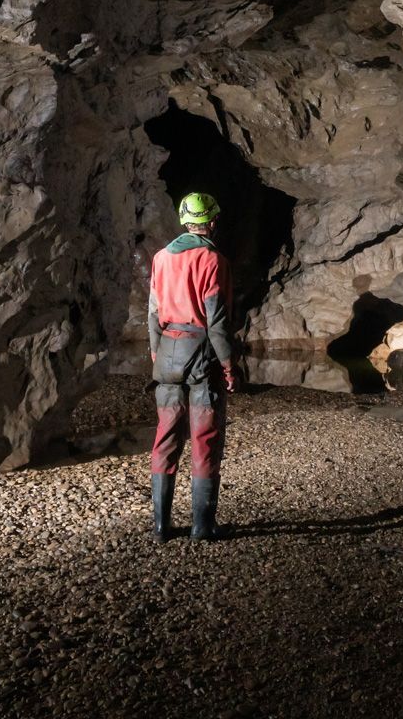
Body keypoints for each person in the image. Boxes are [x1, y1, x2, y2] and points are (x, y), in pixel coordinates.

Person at [148, 191, 237, 541]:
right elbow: (217, 321)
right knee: (204, 437)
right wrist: (229, 365)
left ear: (184, 220)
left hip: (168, 350)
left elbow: (153, 312)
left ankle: (160, 527)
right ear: (212, 222)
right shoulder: (213, 260)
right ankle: (202, 526)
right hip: (202, 353)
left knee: (166, 438)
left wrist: (158, 355)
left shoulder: (160, 258)